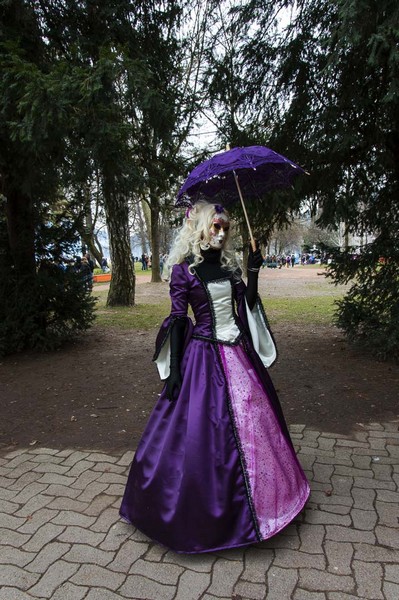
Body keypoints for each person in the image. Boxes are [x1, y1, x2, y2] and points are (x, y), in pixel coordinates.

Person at [120, 202, 310, 554]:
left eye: (225, 228)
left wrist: (253, 273)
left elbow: (245, 306)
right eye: (215, 227)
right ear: (201, 229)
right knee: (198, 433)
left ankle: (265, 501)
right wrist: (175, 371)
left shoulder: (229, 268)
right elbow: (178, 321)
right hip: (203, 357)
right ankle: (197, 513)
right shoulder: (184, 272)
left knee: (253, 420)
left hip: (238, 354)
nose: (221, 234)